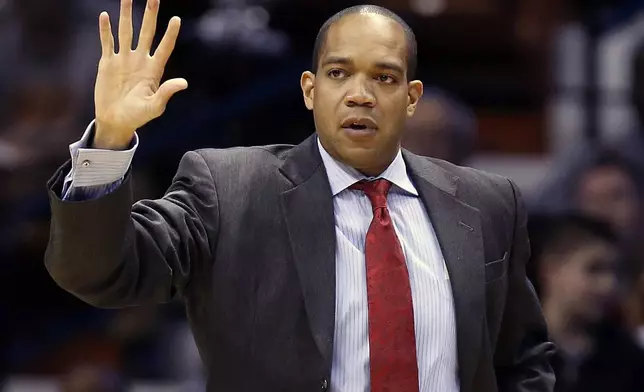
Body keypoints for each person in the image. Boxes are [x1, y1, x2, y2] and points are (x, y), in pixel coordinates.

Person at [45, 0, 555, 391]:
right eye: (339, 73)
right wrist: (110, 138)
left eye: (384, 77)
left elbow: (523, 361)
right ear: (310, 90)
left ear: (411, 97)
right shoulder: (231, 187)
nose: (360, 93)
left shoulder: (488, 203)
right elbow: (101, 273)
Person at [532, 214, 644, 392]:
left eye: (615, 272)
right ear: (550, 269)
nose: (609, 285)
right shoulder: (512, 353)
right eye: (594, 269)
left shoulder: (628, 359)